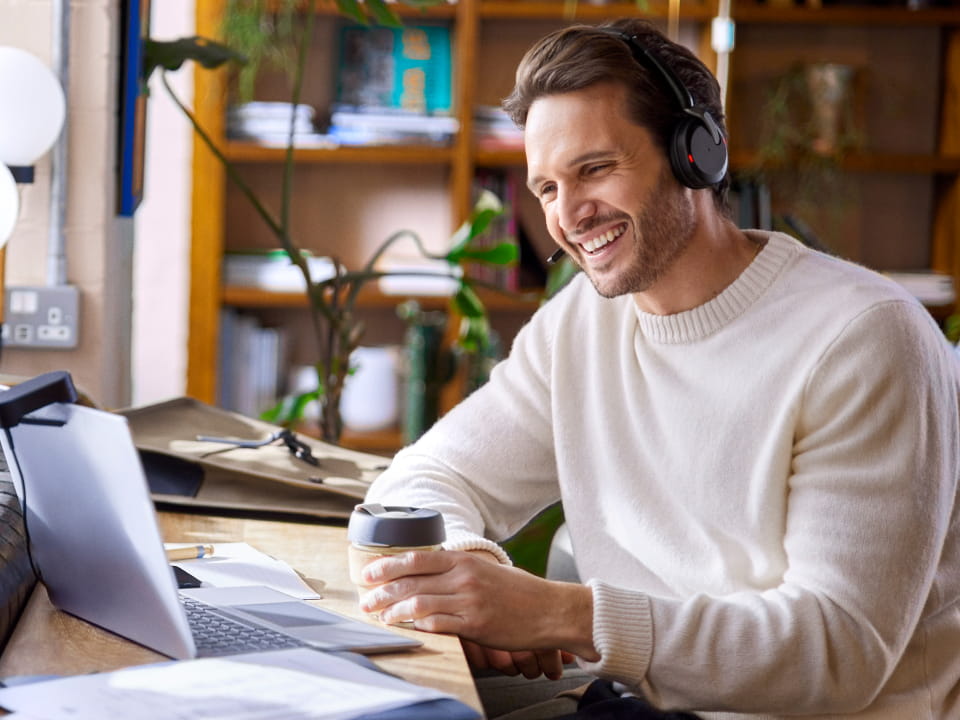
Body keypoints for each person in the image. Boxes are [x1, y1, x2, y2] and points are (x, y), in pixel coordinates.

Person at [358, 18, 960, 719]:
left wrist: (562, 617)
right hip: (633, 706)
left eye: (594, 169)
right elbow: (419, 482)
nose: (570, 214)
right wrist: (470, 579)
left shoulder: (863, 337)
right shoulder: (580, 323)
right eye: (547, 187)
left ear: (696, 154)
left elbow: (836, 651)